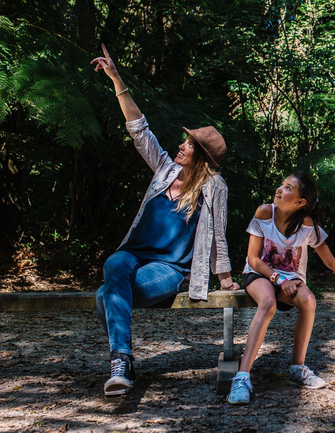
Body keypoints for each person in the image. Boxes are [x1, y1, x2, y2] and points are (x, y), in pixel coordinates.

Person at [90, 44, 239, 397]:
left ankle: (121, 365)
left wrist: (226, 278)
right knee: (114, 263)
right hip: (134, 255)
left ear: (199, 156)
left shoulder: (213, 186)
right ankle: (122, 362)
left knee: (103, 298)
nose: (181, 146)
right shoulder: (164, 168)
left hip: (168, 269)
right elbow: (139, 129)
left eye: (187, 144)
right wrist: (116, 79)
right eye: (183, 142)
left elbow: (218, 233)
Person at [227, 173, 335, 405]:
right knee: (268, 303)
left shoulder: (307, 226)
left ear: (300, 202)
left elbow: (330, 261)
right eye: (282, 185)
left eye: (287, 187)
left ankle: (297, 368)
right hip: (260, 274)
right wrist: (279, 279)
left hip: (291, 280)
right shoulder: (264, 212)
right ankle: (242, 377)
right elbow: (253, 260)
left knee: (309, 300)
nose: (279, 189)